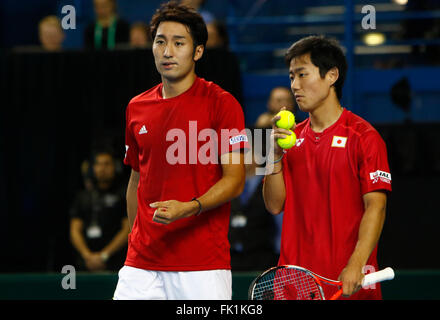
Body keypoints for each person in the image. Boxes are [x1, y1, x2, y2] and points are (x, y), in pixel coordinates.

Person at [113, 2, 248, 300]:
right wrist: (135, 242)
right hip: (141, 264)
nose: (167, 51)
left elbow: (235, 180)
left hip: (201, 266)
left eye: (178, 43)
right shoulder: (136, 107)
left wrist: (189, 207)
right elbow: (136, 181)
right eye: (160, 41)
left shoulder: (222, 104)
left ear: (198, 51)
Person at [262, 35, 392, 300]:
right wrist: (273, 154)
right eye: (291, 77)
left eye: (302, 75)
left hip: (347, 278)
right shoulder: (290, 139)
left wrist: (356, 264)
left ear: (331, 75)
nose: (294, 85)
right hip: (294, 281)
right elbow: (274, 205)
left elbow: (376, 207)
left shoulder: (364, 137)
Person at [70, 150, 129, 272]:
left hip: (115, 262)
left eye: (107, 164)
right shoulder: (83, 196)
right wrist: (87, 256)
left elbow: (127, 229)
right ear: (93, 168)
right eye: (99, 164)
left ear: (115, 167)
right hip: (86, 262)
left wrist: (104, 255)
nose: (103, 168)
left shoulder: (124, 195)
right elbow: (75, 229)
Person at [229, 128, 278, 271]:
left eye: (245, 151)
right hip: (231, 263)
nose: (240, 156)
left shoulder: (270, 184)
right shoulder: (229, 185)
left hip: (263, 263)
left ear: (259, 154)